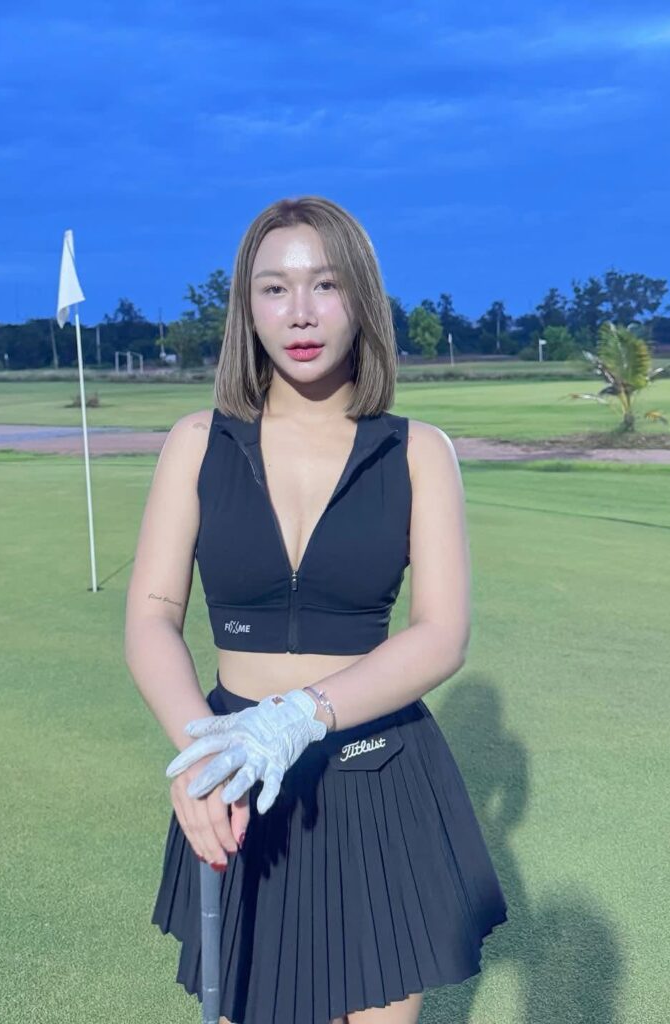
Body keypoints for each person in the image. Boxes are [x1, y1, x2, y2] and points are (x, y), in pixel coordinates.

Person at [124, 196, 508, 1024]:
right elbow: (152, 615)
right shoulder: (197, 442)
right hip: (239, 780)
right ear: (247, 307)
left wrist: (301, 714)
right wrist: (204, 755)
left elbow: (442, 635)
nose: (299, 312)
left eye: (325, 285)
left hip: (378, 778)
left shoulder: (419, 452)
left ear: (361, 298)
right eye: (274, 288)